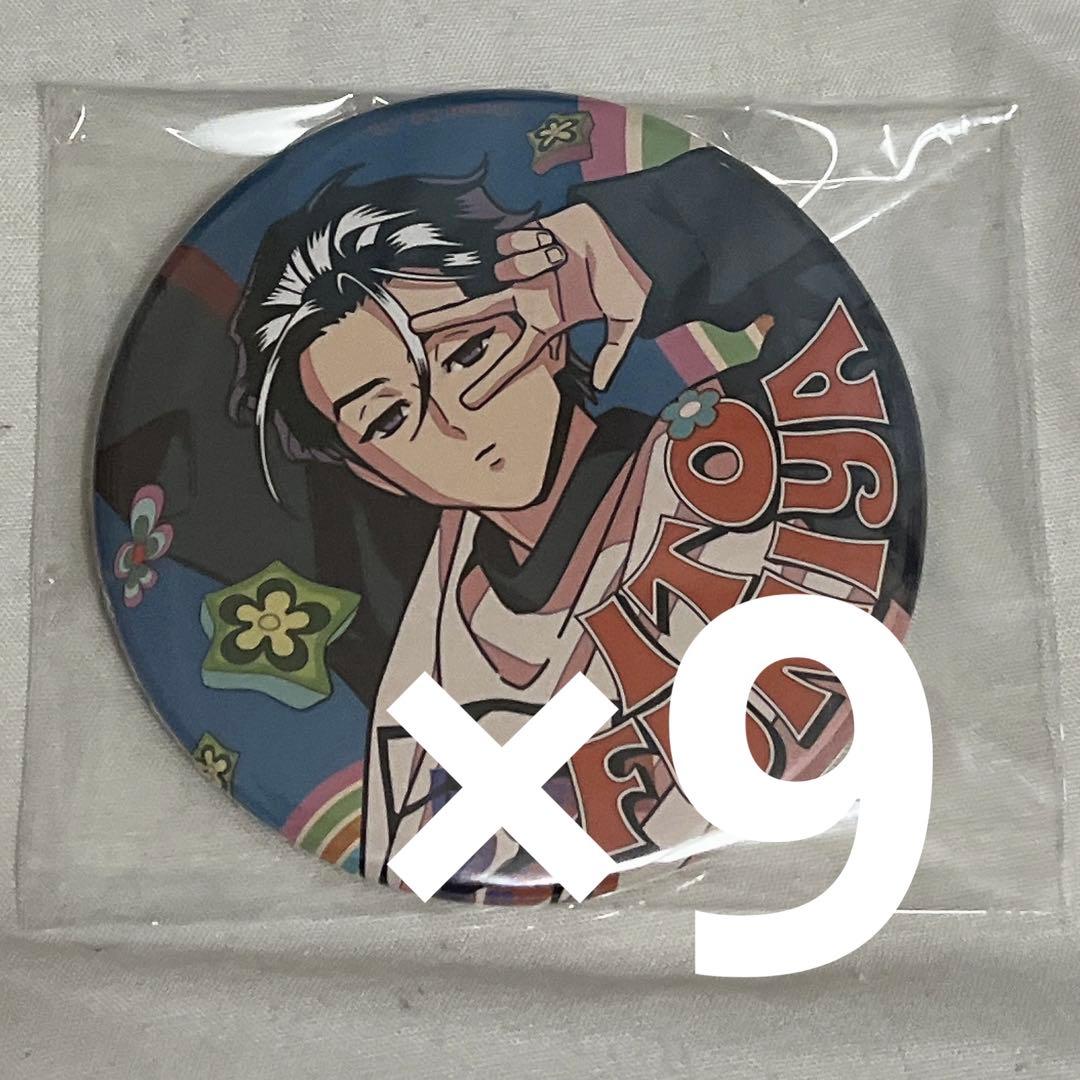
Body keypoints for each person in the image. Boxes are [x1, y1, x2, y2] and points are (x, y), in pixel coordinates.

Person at [230, 147, 909, 901]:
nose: (456, 416)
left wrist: (649, 235)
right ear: (371, 471)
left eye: (469, 350)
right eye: (388, 417)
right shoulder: (435, 691)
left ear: (546, 328)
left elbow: (847, 338)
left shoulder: (740, 446)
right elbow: (469, 872)